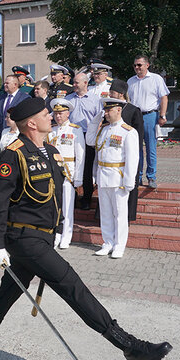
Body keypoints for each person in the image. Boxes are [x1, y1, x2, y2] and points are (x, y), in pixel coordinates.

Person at [0, 97, 171, 360]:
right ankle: (129, 346)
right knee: (70, 284)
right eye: (44, 114)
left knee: (11, 288)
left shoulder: (49, 152)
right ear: (31, 123)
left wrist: (57, 228)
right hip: (23, 238)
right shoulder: (13, 154)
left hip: (42, 236)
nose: (50, 116)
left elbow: (53, 197)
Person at [88, 98, 139, 259]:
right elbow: (91, 143)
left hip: (119, 178)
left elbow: (132, 159)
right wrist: (96, 120)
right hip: (103, 177)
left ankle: (119, 245)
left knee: (120, 214)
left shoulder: (128, 131)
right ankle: (107, 242)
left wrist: (129, 182)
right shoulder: (103, 129)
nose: (106, 113)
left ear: (118, 110)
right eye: (105, 110)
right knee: (106, 213)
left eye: (108, 110)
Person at [46, 99, 85, 249]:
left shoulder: (75, 130)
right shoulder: (52, 131)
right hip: (53, 172)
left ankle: (66, 236)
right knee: (54, 206)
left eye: (61, 113)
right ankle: (56, 234)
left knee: (67, 206)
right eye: (56, 113)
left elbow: (80, 156)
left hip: (68, 172)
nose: (58, 116)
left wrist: (78, 178)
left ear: (68, 114)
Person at [127, 55, 169, 188]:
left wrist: (162, 115)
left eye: (139, 65)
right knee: (135, 149)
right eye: (135, 65)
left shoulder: (156, 79)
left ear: (147, 65)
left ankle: (151, 177)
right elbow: (128, 101)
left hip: (150, 115)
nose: (137, 68)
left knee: (151, 148)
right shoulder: (130, 81)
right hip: (135, 117)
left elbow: (164, 98)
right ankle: (137, 177)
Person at [109, 79, 144, 221]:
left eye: (112, 92)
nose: (110, 94)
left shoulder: (133, 110)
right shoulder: (109, 109)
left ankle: (127, 216)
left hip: (126, 154)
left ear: (121, 94)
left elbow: (138, 134)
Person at [66, 73, 102, 210]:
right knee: (71, 166)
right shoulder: (68, 99)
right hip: (71, 136)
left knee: (86, 168)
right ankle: (72, 197)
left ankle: (87, 198)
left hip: (88, 136)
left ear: (85, 83)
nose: (74, 85)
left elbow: (99, 120)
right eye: (73, 82)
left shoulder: (95, 99)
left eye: (76, 83)